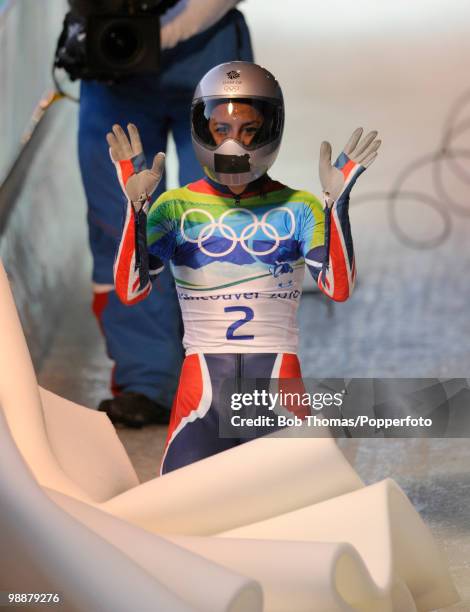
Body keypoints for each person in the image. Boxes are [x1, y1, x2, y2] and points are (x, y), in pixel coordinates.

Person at [107, 61, 381, 473]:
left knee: (293, 518)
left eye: (248, 130)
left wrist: (335, 206)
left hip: (272, 390)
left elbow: (337, 288)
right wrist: (136, 211)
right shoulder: (175, 206)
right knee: (182, 515)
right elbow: (131, 291)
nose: (233, 143)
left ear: (270, 129)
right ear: (202, 128)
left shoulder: (301, 207)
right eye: (221, 129)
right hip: (204, 393)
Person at [77, 1, 253, 427]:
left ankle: (223, 381)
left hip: (207, 50)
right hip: (113, 57)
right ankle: (147, 381)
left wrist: (155, 35)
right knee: (121, 221)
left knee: (217, 220)